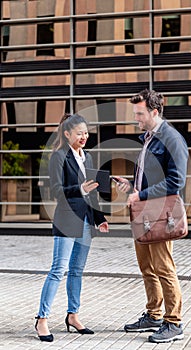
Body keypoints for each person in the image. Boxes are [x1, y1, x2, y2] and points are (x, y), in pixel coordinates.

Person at [115, 89, 189, 344]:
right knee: (146, 266)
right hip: (143, 212)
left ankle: (174, 322)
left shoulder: (172, 139)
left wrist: (142, 193)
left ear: (154, 112)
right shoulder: (148, 138)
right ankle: (154, 314)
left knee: (163, 267)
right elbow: (149, 176)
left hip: (158, 215)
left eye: (139, 113)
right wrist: (132, 186)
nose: (135, 117)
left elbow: (176, 181)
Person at [35, 113, 109, 342]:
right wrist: (81, 189)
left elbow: (93, 191)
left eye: (86, 133)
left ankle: (73, 316)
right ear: (67, 134)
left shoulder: (87, 157)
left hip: (86, 221)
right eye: (80, 133)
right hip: (66, 220)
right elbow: (57, 191)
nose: (84, 137)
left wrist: (99, 218)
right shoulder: (58, 156)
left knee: (77, 271)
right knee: (58, 270)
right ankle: (42, 319)